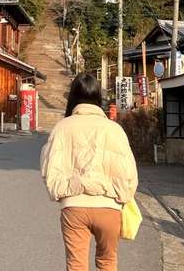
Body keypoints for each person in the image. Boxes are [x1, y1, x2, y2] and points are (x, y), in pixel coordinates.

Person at [40, 73, 138, 271]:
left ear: (72, 97)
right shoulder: (114, 129)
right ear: (98, 97)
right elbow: (129, 173)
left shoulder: (61, 128)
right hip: (109, 207)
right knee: (107, 262)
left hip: (73, 206)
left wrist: (62, 192)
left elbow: (49, 169)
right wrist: (123, 197)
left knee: (76, 265)